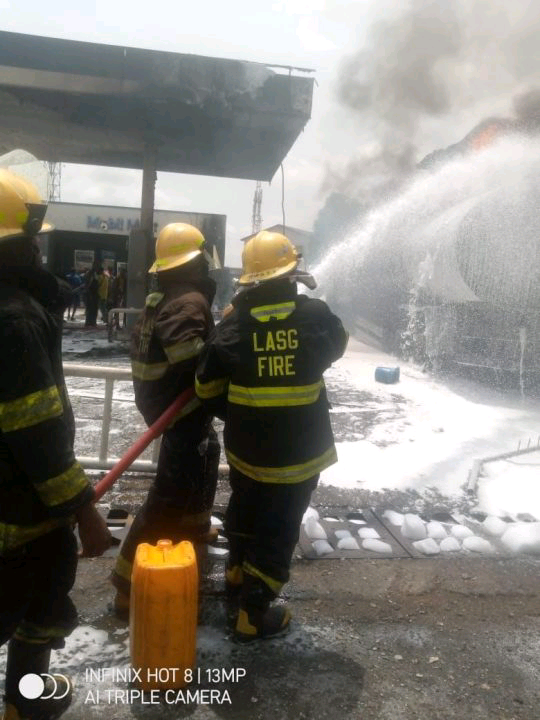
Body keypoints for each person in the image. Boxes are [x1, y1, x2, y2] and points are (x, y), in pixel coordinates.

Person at [195, 230, 348, 642]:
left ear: (250, 279)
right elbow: (338, 345)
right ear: (291, 273)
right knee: (280, 528)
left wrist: (241, 410)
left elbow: (206, 389)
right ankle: (252, 614)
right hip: (299, 457)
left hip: (247, 451)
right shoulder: (315, 316)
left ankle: (235, 573)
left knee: (245, 508)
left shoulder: (231, 327)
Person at [0, 169, 112, 720]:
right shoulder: (16, 320)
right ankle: (25, 704)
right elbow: (37, 430)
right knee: (37, 600)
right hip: (20, 511)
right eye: (34, 236)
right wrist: (83, 509)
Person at [111, 223, 220, 615]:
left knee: (204, 458)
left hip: (166, 404)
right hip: (179, 408)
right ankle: (126, 582)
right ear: (195, 261)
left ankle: (193, 530)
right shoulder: (187, 302)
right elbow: (193, 359)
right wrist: (223, 347)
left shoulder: (165, 298)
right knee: (168, 494)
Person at [83, 261, 100, 328]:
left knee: (94, 309)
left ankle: (93, 322)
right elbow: (87, 284)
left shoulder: (95, 274)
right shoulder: (90, 273)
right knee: (89, 309)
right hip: (90, 293)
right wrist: (88, 293)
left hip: (95, 293)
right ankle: (88, 322)